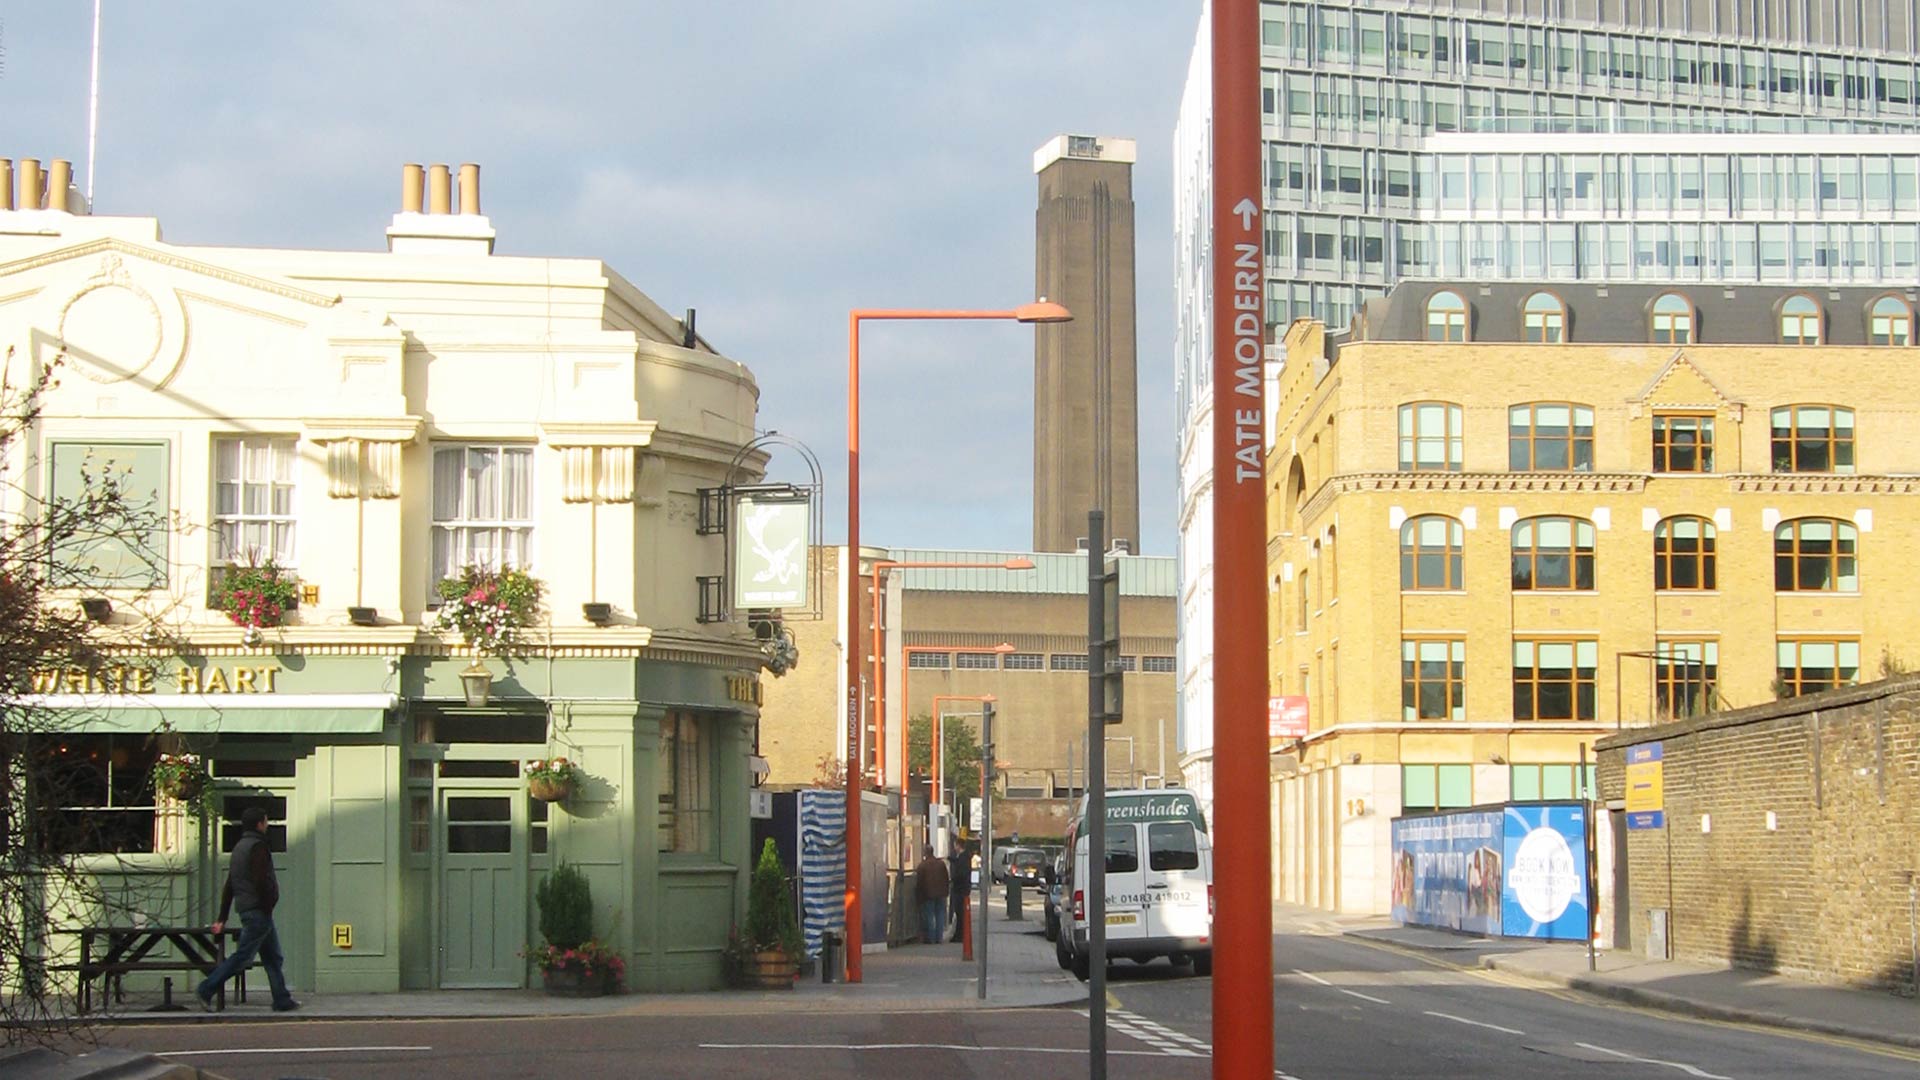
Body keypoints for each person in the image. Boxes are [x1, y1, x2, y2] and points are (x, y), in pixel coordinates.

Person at [196, 806, 298, 1012]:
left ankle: (281, 999)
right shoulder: (258, 847)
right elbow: (262, 879)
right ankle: (206, 988)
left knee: (272, 956)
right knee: (243, 957)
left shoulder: (239, 848)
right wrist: (269, 901)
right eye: (266, 821)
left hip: (249, 909)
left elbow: (230, 885)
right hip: (258, 911)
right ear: (260, 824)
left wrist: (222, 917)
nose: (267, 825)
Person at [913, 845, 949, 945]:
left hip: (928, 894)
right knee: (940, 915)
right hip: (941, 893)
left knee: (929, 916)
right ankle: (939, 938)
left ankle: (931, 938)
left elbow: (919, 883)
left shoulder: (922, 866)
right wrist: (946, 892)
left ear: (925, 853)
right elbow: (946, 878)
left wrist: (918, 896)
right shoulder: (941, 864)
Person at [946, 844, 969, 942]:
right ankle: (959, 935)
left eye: (955, 845)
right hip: (962, 888)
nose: (954, 847)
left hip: (960, 889)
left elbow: (961, 873)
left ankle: (959, 935)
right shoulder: (963, 857)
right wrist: (950, 859)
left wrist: (953, 879)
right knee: (960, 913)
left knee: (960, 913)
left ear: (959, 846)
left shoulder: (963, 857)